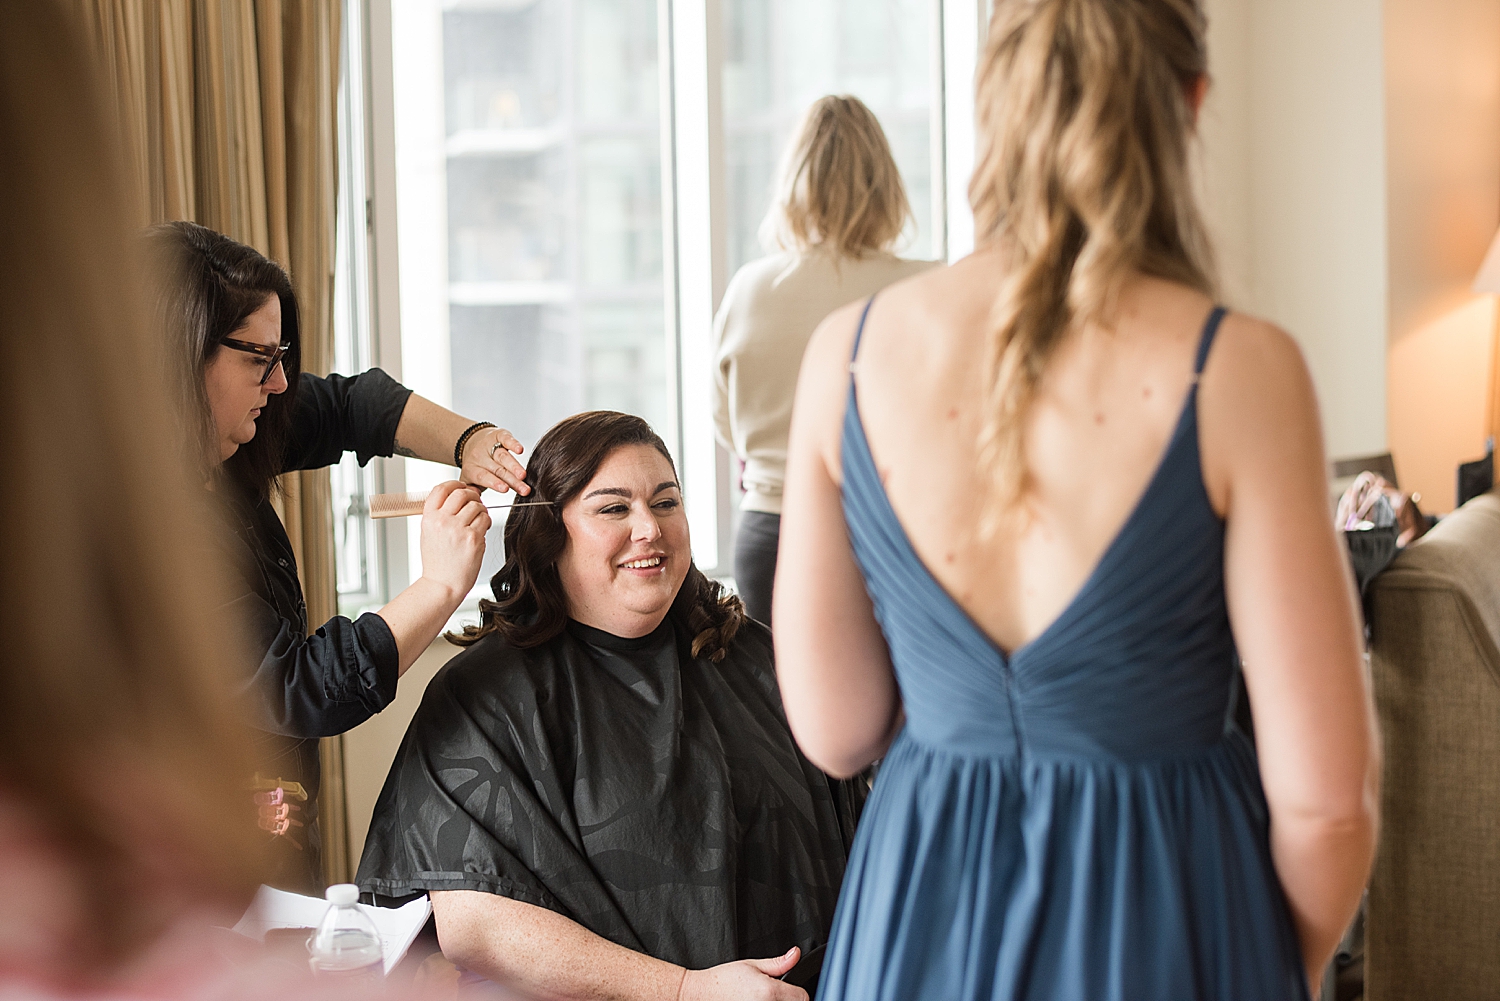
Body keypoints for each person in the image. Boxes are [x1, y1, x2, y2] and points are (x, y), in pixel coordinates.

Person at [773, 1, 1380, 999]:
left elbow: (836, 727)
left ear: (993, 107)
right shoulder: (1238, 368)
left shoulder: (844, 356)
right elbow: (1329, 805)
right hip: (1173, 902)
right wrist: (1281, 969)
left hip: (923, 905)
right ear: (1190, 105)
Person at [356, 411, 855, 1001]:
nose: (649, 528)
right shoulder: (486, 699)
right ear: (549, 535)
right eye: (614, 508)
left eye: (666, 502)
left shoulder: (759, 656)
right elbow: (477, 929)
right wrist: (683, 991)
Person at [146, 220, 533, 892]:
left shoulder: (235, 441)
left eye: (283, 357)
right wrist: (440, 585)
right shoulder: (152, 528)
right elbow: (298, 686)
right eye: (259, 360)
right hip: (190, 855)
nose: (279, 384)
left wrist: (467, 440)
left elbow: (356, 405)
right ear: (184, 357)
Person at [713, 95, 936, 624]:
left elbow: (724, 422)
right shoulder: (926, 286)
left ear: (793, 186)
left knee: (773, 704)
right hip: (884, 530)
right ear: (887, 187)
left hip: (771, 530)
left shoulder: (751, 287)